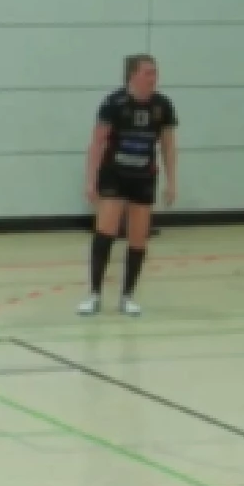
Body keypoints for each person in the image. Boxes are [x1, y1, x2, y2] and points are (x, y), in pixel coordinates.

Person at [80, 54, 177, 318]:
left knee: (138, 237)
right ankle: (94, 295)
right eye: (148, 72)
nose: (153, 77)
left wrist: (171, 181)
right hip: (114, 175)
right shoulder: (114, 103)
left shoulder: (163, 106)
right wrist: (90, 180)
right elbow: (97, 143)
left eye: (155, 72)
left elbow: (168, 146)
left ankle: (127, 296)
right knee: (105, 232)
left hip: (143, 177)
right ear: (133, 75)